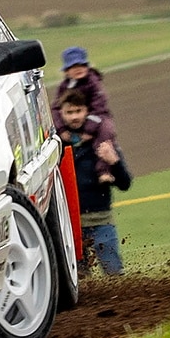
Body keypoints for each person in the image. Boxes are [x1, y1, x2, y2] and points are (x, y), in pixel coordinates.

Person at [57, 89, 132, 275]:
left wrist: (114, 162)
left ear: (87, 111)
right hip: (71, 226)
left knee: (114, 273)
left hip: (102, 222)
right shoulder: (57, 147)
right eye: (69, 112)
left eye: (78, 111)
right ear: (61, 114)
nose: (74, 116)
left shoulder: (102, 143)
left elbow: (125, 184)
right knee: (80, 280)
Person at [51, 46, 114, 137]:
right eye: (73, 67)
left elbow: (99, 108)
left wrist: (89, 130)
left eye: (81, 65)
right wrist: (61, 129)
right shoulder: (64, 86)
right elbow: (56, 108)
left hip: (95, 121)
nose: (78, 69)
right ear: (66, 71)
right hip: (71, 123)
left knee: (106, 128)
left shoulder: (93, 83)